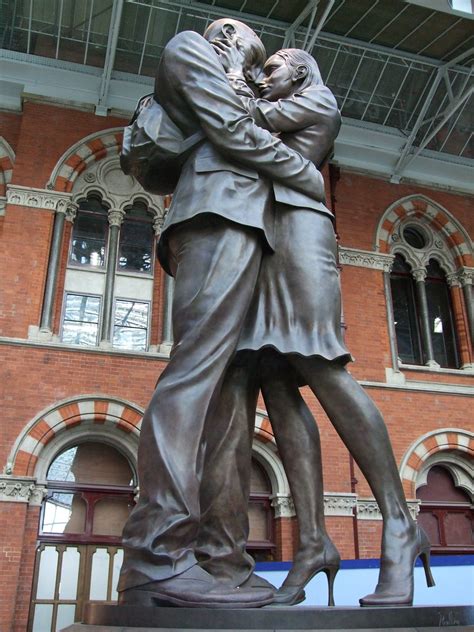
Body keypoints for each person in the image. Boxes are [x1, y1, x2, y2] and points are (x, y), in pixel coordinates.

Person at [198, 47, 434, 608]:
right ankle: (311, 543)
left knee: (320, 363)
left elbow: (239, 122)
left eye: (273, 66)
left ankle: (399, 524)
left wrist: (232, 75)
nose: (264, 74)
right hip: (262, 238)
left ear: (299, 72)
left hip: (301, 234)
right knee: (275, 384)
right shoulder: (287, 99)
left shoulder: (315, 99)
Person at [118, 20, 327, 609]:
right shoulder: (189, 48)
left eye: (259, 57)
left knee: (227, 398)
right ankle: (156, 554)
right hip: (214, 218)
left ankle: (223, 561)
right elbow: (232, 130)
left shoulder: (241, 81)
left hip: (247, 228)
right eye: (242, 42)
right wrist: (305, 175)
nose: (245, 53)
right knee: (193, 378)